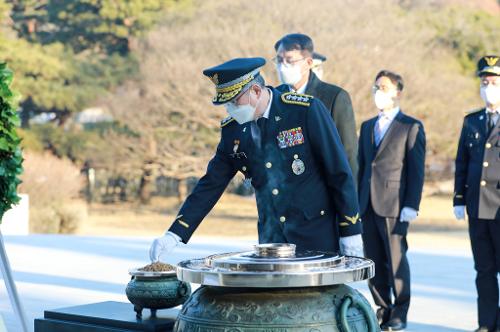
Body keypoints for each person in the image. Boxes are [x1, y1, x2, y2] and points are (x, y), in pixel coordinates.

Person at [149, 57, 363, 261]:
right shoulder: (233, 130)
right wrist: (175, 233)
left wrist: (350, 229)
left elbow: (338, 172)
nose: (230, 109)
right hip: (271, 241)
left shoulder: (303, 111)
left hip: (315, 233)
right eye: (227, 104)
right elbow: (211, 184)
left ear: (257, 91)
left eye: (234, 101)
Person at [358, 70, 426, 331]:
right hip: (367, 204)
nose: (378, 92)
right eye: (376, 87)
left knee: (396, 260)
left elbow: (416, 170)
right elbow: (362, 167)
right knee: (373, 259)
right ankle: (382, 308)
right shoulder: (366, 127)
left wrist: (411, 204)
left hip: (395, 205)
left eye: (384, 87)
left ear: (397, 92)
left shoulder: (410, 126)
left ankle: (400, 310)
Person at [453, 55, 500, 332]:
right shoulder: (472, 121)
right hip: (477, 207)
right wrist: (459, 198)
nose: (488, 87)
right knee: (483, 271)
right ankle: (486, 323)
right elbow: (462, 162)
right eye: (485, 82)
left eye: (494, 82)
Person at [273, 33, 358, 180]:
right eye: (279, 60)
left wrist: (349, 201)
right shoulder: (274, 96)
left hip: (322, 190)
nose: (283, 66)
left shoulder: (335, 97)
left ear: (308, 62)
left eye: (290, 61)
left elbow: (348, 154)